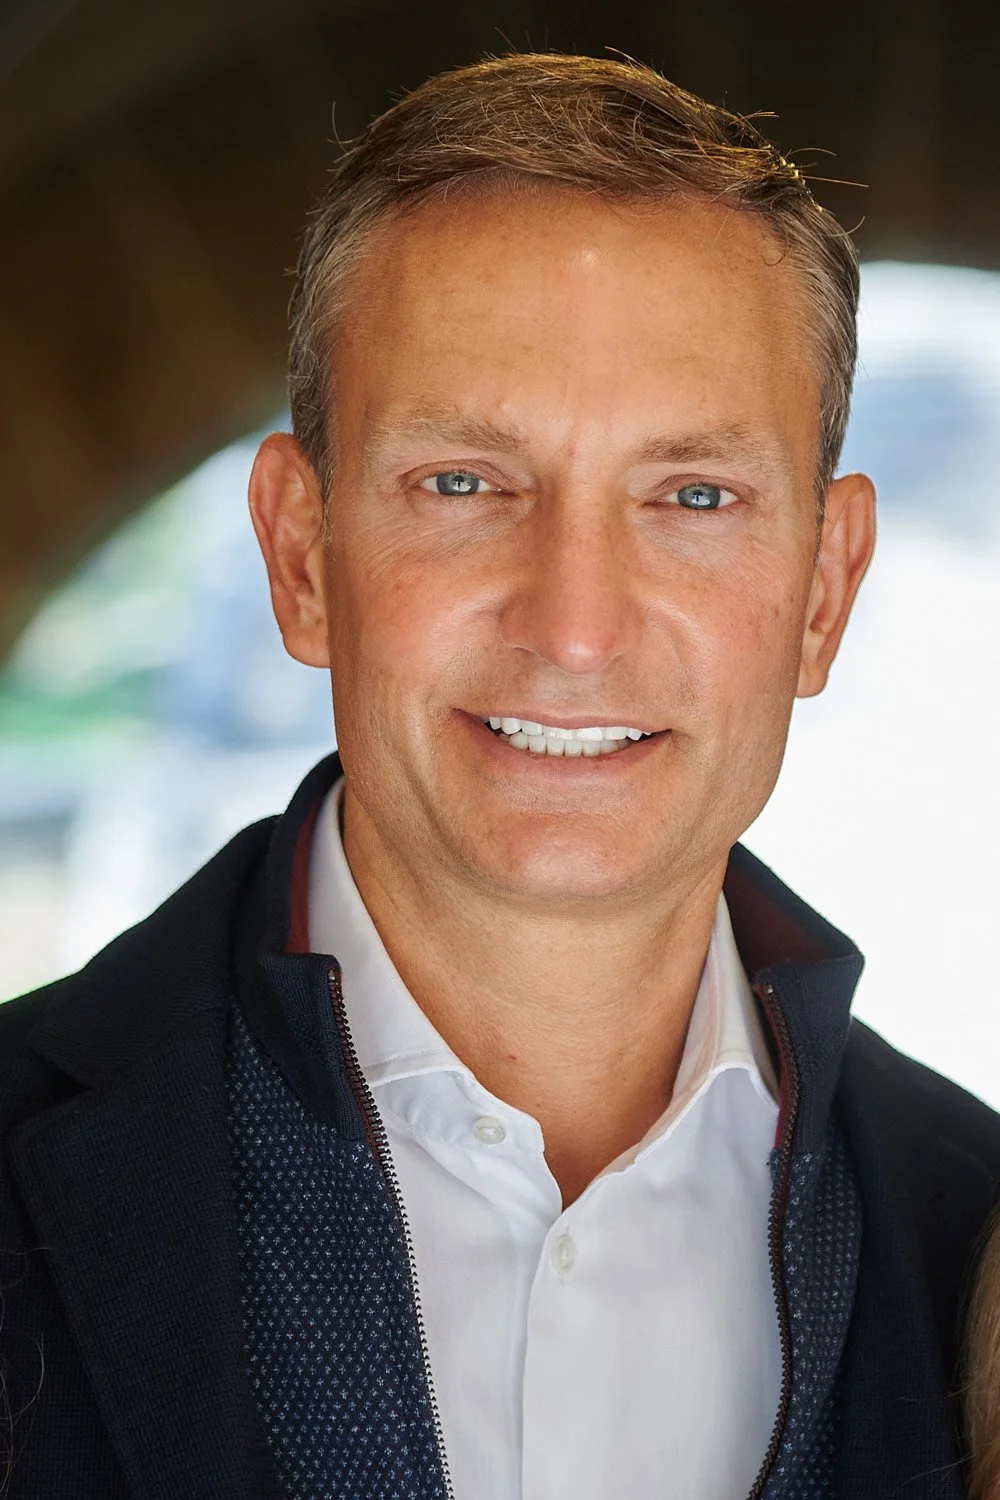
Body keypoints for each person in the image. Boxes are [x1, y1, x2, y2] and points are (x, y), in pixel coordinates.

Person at [1, 50, 999, 1500]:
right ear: (300, 556)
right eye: (463, 484)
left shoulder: (973, 1238)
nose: (574, 627)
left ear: (826, 589)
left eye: (694, 495)